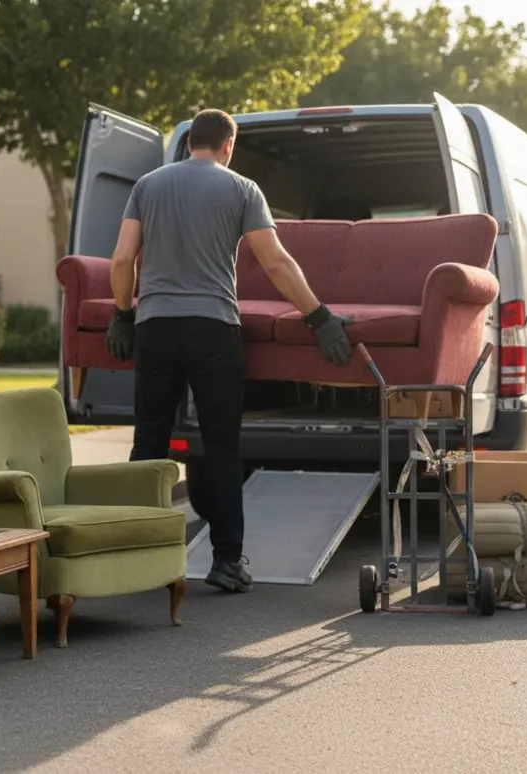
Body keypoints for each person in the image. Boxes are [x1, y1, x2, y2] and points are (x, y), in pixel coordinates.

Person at [104, 109, 354, 594]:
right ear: (228, 146)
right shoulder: (242, 189)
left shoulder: (147, 186)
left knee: (148, 442)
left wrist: (121, 315)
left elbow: (121, 258)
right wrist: (318, 317)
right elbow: (276, 262)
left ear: (189, 142)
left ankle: (134, 557)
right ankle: (225, 562)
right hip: (213, 330)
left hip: (155, 327)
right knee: (221, 446)